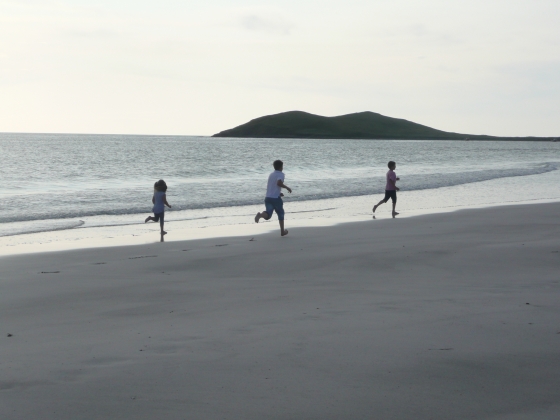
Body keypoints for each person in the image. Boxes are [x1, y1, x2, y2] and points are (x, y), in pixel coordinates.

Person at [254, 160, 292, 236]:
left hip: (268, 197)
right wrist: (287, 188)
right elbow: (279, 183)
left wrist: (279, 193)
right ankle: (282, 231)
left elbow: (272, 186)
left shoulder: (271, 174)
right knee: (280, 213)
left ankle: (260, 215)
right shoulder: (281, 174)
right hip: (275, 199)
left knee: (268, 214)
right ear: (281, 167)